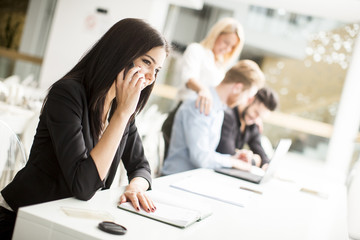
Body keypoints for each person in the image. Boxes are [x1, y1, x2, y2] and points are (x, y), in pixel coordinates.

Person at [0, 18, 169, 239]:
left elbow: (141, 167)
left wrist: (136, 187)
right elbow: (83, 185)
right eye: (146, 62)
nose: (150, 77)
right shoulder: (69, 94)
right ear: (121, 54)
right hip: (24, 218)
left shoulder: (121, 106)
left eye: (157, 70)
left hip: (70, 219)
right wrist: (122, 115)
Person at [161, 60, 265, 176]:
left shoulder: (219, 109)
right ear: (237, 88)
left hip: (195, 178)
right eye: (248, 96)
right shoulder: (200, 104)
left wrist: (234, 158)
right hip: (177, 179)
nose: (245, 102)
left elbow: (207, 153)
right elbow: (201, 158)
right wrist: (232, 162)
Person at [161, 17, 244, 158]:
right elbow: (189, 78)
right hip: (182, 116)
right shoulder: (196, 50)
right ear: (216, 34)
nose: (227, 48)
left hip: (202, 122)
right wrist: (203, 90)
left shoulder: (221, 65)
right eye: (226, 42)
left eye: (232, 47)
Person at [216, 87, 279, 168]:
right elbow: (227, 152)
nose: (256, 119)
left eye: (260, 117)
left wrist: (265, 164)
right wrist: (254, 160)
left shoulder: (253, 125)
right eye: (256, 112)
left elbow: (261, 154)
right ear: (250, 100)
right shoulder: (228, 116)